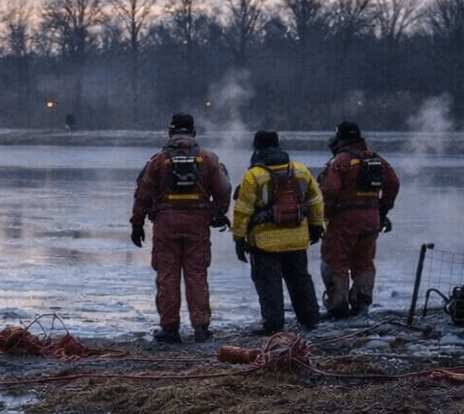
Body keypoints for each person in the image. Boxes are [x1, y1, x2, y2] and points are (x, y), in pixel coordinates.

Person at [130, 112, 232, 343]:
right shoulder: (208, 159)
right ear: (193, 133)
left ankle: (169, 328)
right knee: (197, 275)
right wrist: (217, 213)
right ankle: (201, 326)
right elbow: (224, 189)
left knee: (167, 275)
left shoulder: (158, 160)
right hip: (198, 224)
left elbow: (143, 193)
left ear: (170, 133)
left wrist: (137, 223)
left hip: (166, 225)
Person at [231, 130, 324, 335]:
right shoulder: (300, 170)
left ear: (257, 148)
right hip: (297, 239)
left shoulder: (254, 175)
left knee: (268, 282)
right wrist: (317, 226)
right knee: (300, 278)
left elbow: (242, 210)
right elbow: (316, 200)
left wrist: (238, 238)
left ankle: (273, 324)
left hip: (265, 242)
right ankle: (310, 320)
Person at [317, 121, 401, 319]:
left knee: (335, 261)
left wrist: (323, 215)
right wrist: (382, 210)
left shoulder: (340, 161)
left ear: (340, 139)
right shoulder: (376, 159)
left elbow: (329, 190)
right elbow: (393, 183)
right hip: (372, 219)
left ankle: (337, 305)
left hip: (344, 219)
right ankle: (361, 304)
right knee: (364, 262)